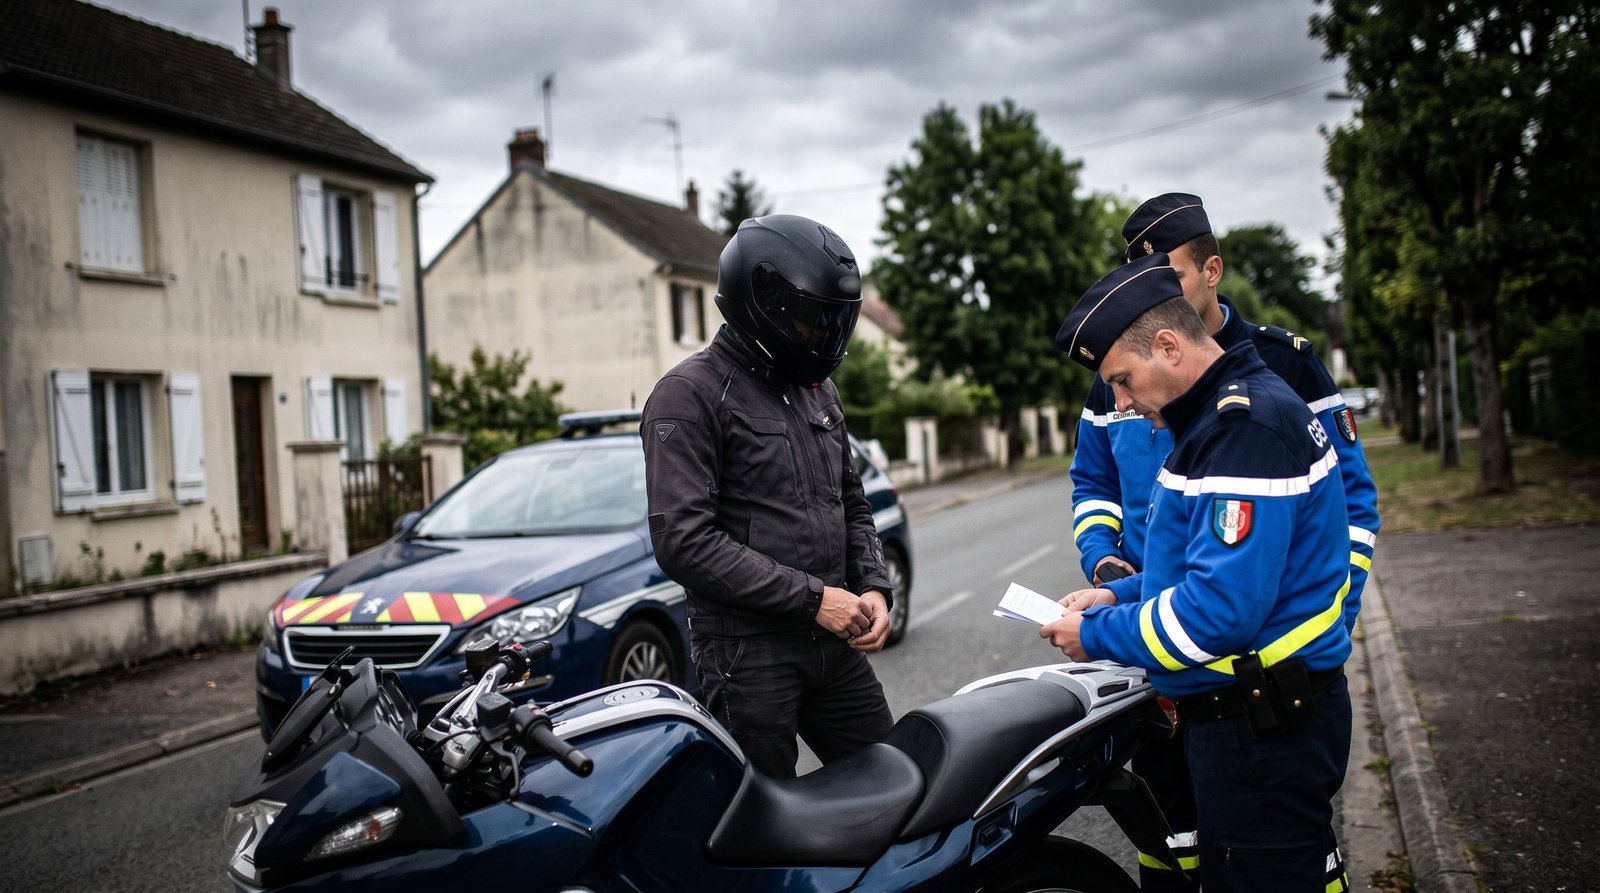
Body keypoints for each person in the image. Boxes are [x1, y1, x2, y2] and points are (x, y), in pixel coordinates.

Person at [1068, 193, 1380, 888]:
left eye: (1122, 381)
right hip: (1185, 660)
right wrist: (1118, 581)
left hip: (1251, 681)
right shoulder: (1201, 405)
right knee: (1177, 842)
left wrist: (1323, 619)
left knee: (1269, 861)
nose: (1118, 400)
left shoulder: (1247, 408)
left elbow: (1226, 604)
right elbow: (1101, 492)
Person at [640, 214, 895, 779]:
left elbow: (851, 502)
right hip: (748, 657)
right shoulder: (687, 395)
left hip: (834, 642)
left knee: (900, 782)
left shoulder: (817, 389)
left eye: (836, 322)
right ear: (764, 306)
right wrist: (815, 599)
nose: (825, 337)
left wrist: (874, 585)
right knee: (761, 824)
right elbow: (684, 541)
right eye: (812, 321)